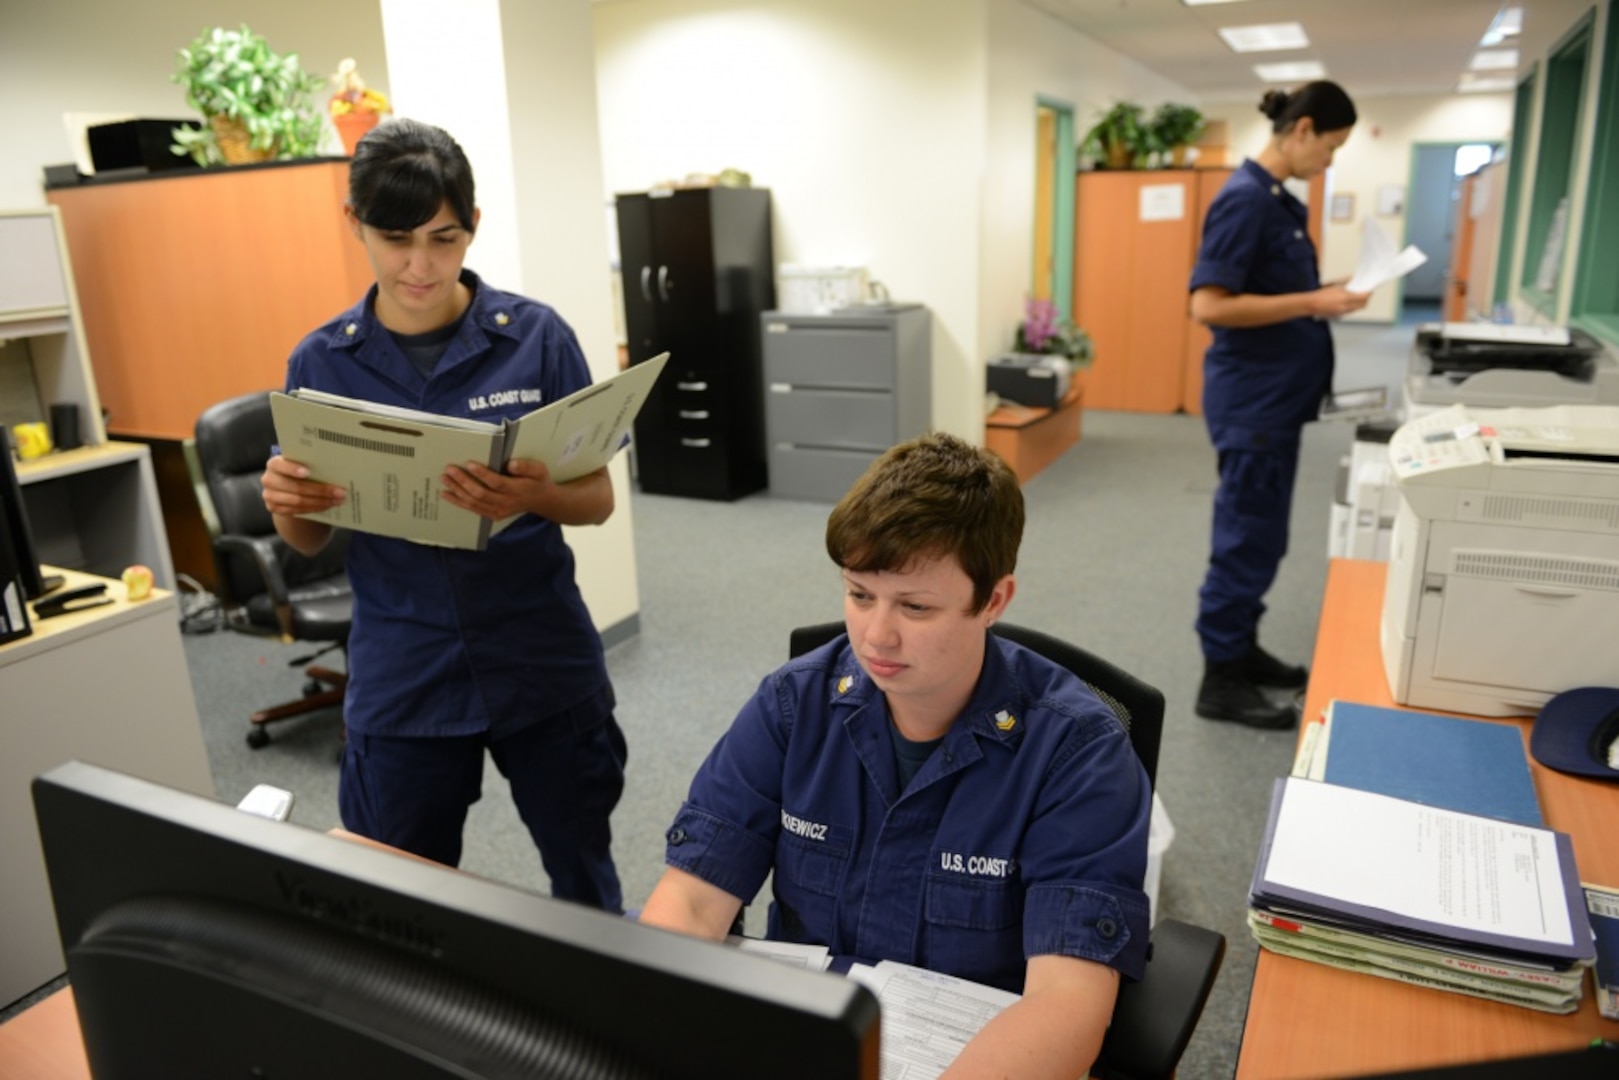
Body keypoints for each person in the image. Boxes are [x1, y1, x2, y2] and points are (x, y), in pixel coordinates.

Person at [640, 432, 1151, 1079]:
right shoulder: (793, 706)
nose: (875, 635)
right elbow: (689, 901)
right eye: (858, 594)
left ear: (992, 600)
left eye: (914, 606)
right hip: (805, 1036)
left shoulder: (1076, 752)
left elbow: (1066, 1004)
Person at [259, 119, 627, 911]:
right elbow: (310, 536)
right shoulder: (321, 361)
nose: (420, 266)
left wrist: (531, 495)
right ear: (353, 224)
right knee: (403, 892)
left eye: (444, 236)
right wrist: (287, 504)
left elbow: (595, 499)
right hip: (406, 664)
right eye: (395, 239)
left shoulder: (535, 338)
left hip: (538, 651)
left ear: (474, 227)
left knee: (583, 870)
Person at [1188, 81, 1370, 730]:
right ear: (1302, 130)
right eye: (1331, 146)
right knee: (1244, 538)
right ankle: (1220, 680)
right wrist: (1311, 303)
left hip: (1274, 402)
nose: (1330, 161)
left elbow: (1270, 295)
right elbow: (1207, 305)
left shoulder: (1274, 203)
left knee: (1262, 537)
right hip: (1252, 404)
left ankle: (1242, 650)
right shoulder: (1244, 202)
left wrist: (1327, 293)